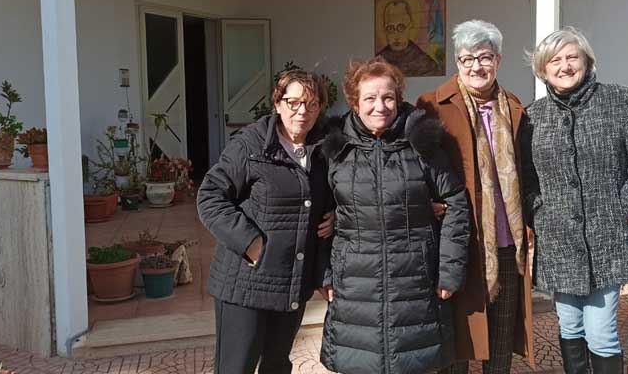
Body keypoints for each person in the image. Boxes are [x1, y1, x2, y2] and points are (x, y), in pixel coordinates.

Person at [318, 56, 470, 374]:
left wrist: (449, 271)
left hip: (414, 281)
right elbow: (318, 214)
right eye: (370, 98)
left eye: (388, 97)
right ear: (355, 102)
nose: (380, 107)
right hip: (355, 284)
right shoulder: (336, 149)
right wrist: (324, 273)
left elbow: (455, 202)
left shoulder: (421, 144)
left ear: (399, 99)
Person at [521, 27, 628, 373]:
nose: (565, 66)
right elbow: (526, 178)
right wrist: (539, 214)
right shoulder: (532, 116)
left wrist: (624, 209)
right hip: (559, 242)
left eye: (572, 57)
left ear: (587, 61)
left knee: (601, 333)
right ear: (543, 69)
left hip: (607, 239)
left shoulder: (617, 100)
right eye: (555, 60)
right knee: (570, 327)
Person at [197, 70, 336, 374]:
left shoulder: (323, 150)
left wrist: (335, 215)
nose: (302, 111)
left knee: (276, 365)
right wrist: (251, 244)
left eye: (311, 104)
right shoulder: (251, 145)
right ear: (277, 103)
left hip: (292, 283)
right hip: (246, 283)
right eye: (293, 102)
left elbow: (332, 196)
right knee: (237, 368)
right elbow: (209, 196)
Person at [417, 19, 535, 374]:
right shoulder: (432, 106)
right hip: (459, 243)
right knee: (458, 341)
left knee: (500, 341)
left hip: (505, 243)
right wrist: (423, 202)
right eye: (467, 58)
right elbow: (414, 167)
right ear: (457, 62)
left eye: (484, 57)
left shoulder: (513, 107)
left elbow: (527, 170)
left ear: (498, 60)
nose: (476, 66)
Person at [376, 0, 442, 77]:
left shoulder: (426, 63)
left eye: (401, 27)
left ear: (410, 26)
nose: (396, 35)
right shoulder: (378, 62)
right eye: (390, 28)